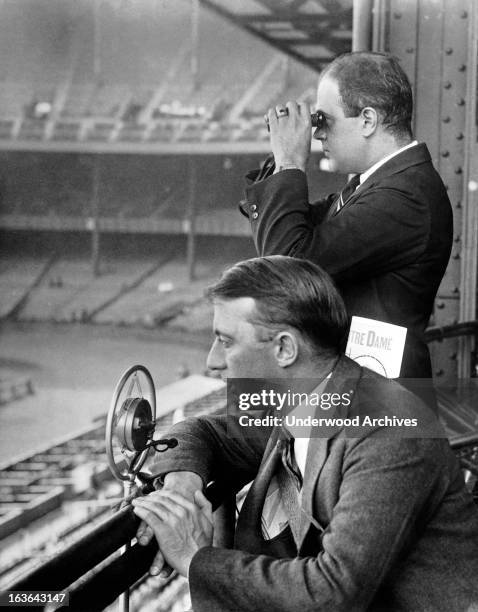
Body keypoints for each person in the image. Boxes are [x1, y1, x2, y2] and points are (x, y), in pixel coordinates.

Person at [133, 256, 478, 612]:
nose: (213, 361)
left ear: (285, 348)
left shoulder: (388, 429)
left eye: (226, 342)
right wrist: (180, 487)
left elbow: (333, 592)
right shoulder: (302, 398)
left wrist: (193, 558)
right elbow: (202, 431)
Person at [240, 51, 453, 383]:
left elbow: (287, 265)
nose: (318, 134)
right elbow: (291, 230)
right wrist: (281, 160)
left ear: (368, 120)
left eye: (324, 120)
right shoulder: (376, 185)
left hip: (381, 407)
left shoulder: (405, 196)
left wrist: (290, 164)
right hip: (359, 394)